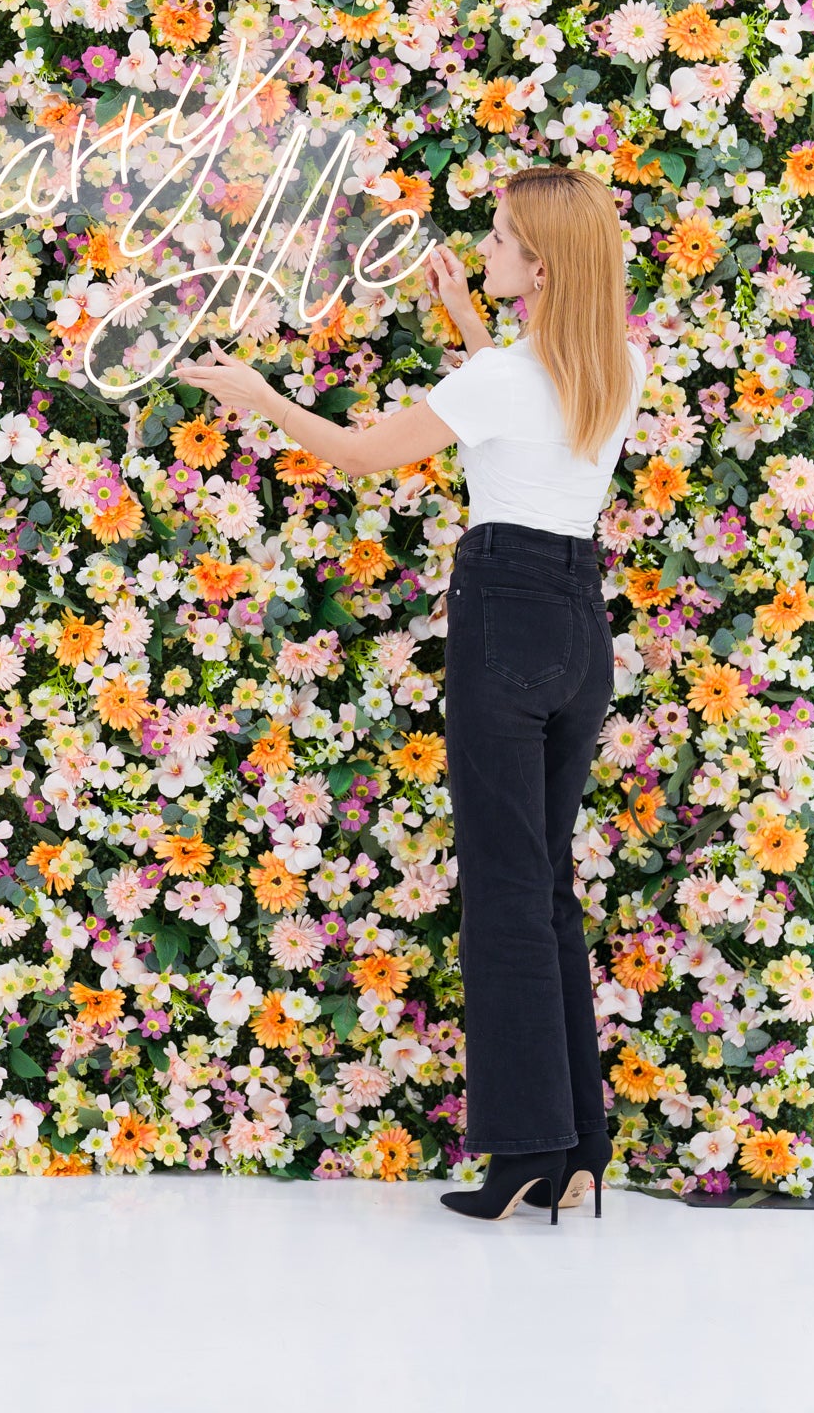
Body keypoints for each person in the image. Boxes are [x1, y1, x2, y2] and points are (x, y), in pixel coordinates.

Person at [174, 165, 647, 1224]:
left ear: (538, 263)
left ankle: (524, 1148)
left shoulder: (501, 379)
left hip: (507, 613)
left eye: (497, 236)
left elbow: (355, 453)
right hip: (580, 624)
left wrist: (259, 397)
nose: (482, 243)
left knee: (504, 891)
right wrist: (470, 321)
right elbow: (524, 405)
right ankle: (575, 1149)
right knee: (547, 886)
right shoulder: (616, 367)